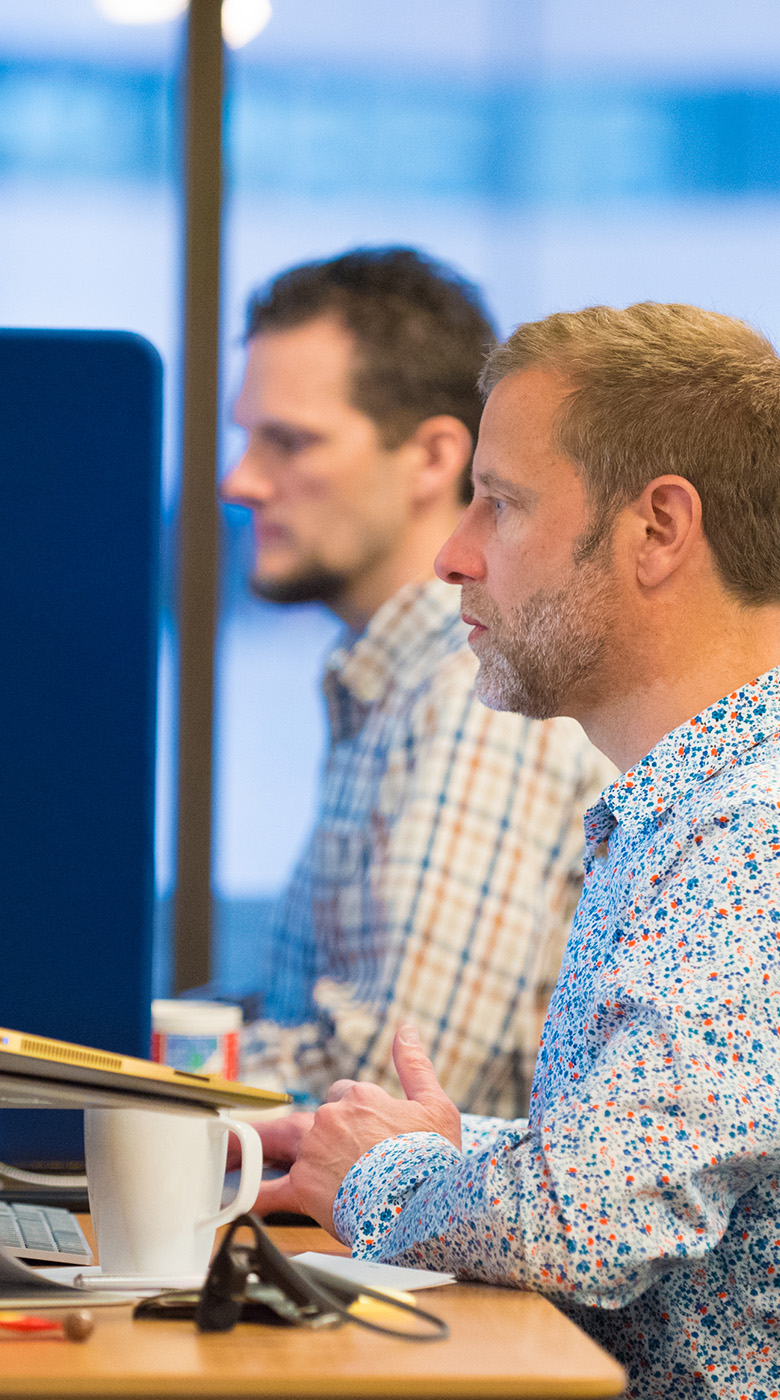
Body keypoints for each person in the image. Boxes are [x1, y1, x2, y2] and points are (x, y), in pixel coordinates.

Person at [253, 301, 780, 1398]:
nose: (453, 554)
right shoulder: (689, 807)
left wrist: (386, 1175)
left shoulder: (752, 831)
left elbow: (586, 1224)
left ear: (660, 529)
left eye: (499, 504)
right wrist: (386, 1138)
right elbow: (673, 1159)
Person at [221, 247, 613, 1119]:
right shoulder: (392, 680)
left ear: (436, 457)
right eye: (244, 437)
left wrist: (169, 1068)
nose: (240, 480)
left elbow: (407, 1092)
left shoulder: (477, 693)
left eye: (289, 441)